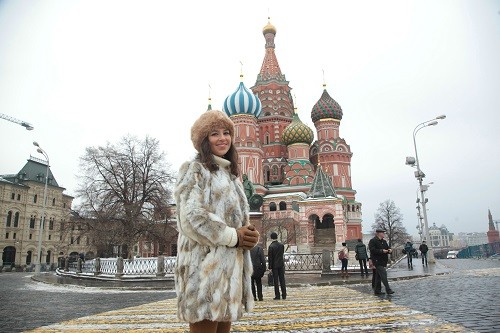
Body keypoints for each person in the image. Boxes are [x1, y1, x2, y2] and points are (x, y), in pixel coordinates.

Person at [174, 110, 260, 333]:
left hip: (229, 273)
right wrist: (234, 236)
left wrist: (248, 235)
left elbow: (237, 222)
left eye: (226, 132)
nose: (223, 138)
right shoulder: (195, 171)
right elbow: (192, 219)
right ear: (204, 140)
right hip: (202, 273)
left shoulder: (230, 176)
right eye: (214, 134)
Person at [368, 228, 394, 295]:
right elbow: (372, 250)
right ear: (378, 233)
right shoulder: (373, 241)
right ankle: (388, 289)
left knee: (378, 276)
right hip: (377, 261)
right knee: (383, 274)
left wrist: (390, 250)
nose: (384, 234)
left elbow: (388, 248)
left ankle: (377, 290)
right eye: (382, 233)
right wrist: (381, 251)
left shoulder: (384, 241)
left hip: (383, 261)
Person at [268, 232, 287, 300]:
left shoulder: (271, 246)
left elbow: (270, 258)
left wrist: (270, 267)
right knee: (282, 280)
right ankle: (284, 294)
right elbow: (281, 254)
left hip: (274, 266)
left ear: (271, 238)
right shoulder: (281, 245)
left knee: (276, 281)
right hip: (281, 265)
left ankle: (277, 295)